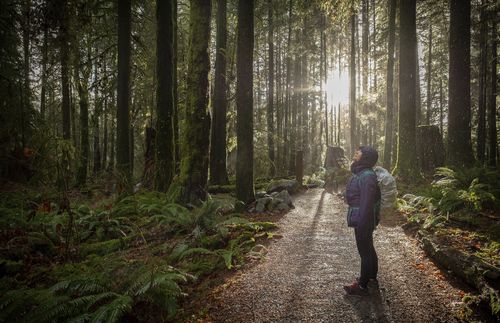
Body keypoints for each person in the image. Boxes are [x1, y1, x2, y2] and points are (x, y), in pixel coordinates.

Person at [343, 146, 381, 295]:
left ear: (365, 157)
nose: (355, 153)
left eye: (358, 152)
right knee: (368, 247)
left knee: (364, 250)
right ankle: (371, 277)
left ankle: (362, 285)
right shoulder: (363, 173)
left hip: (363, 217)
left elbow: (367, 202)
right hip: (362, 216)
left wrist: (364, 223)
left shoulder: (367, 176)